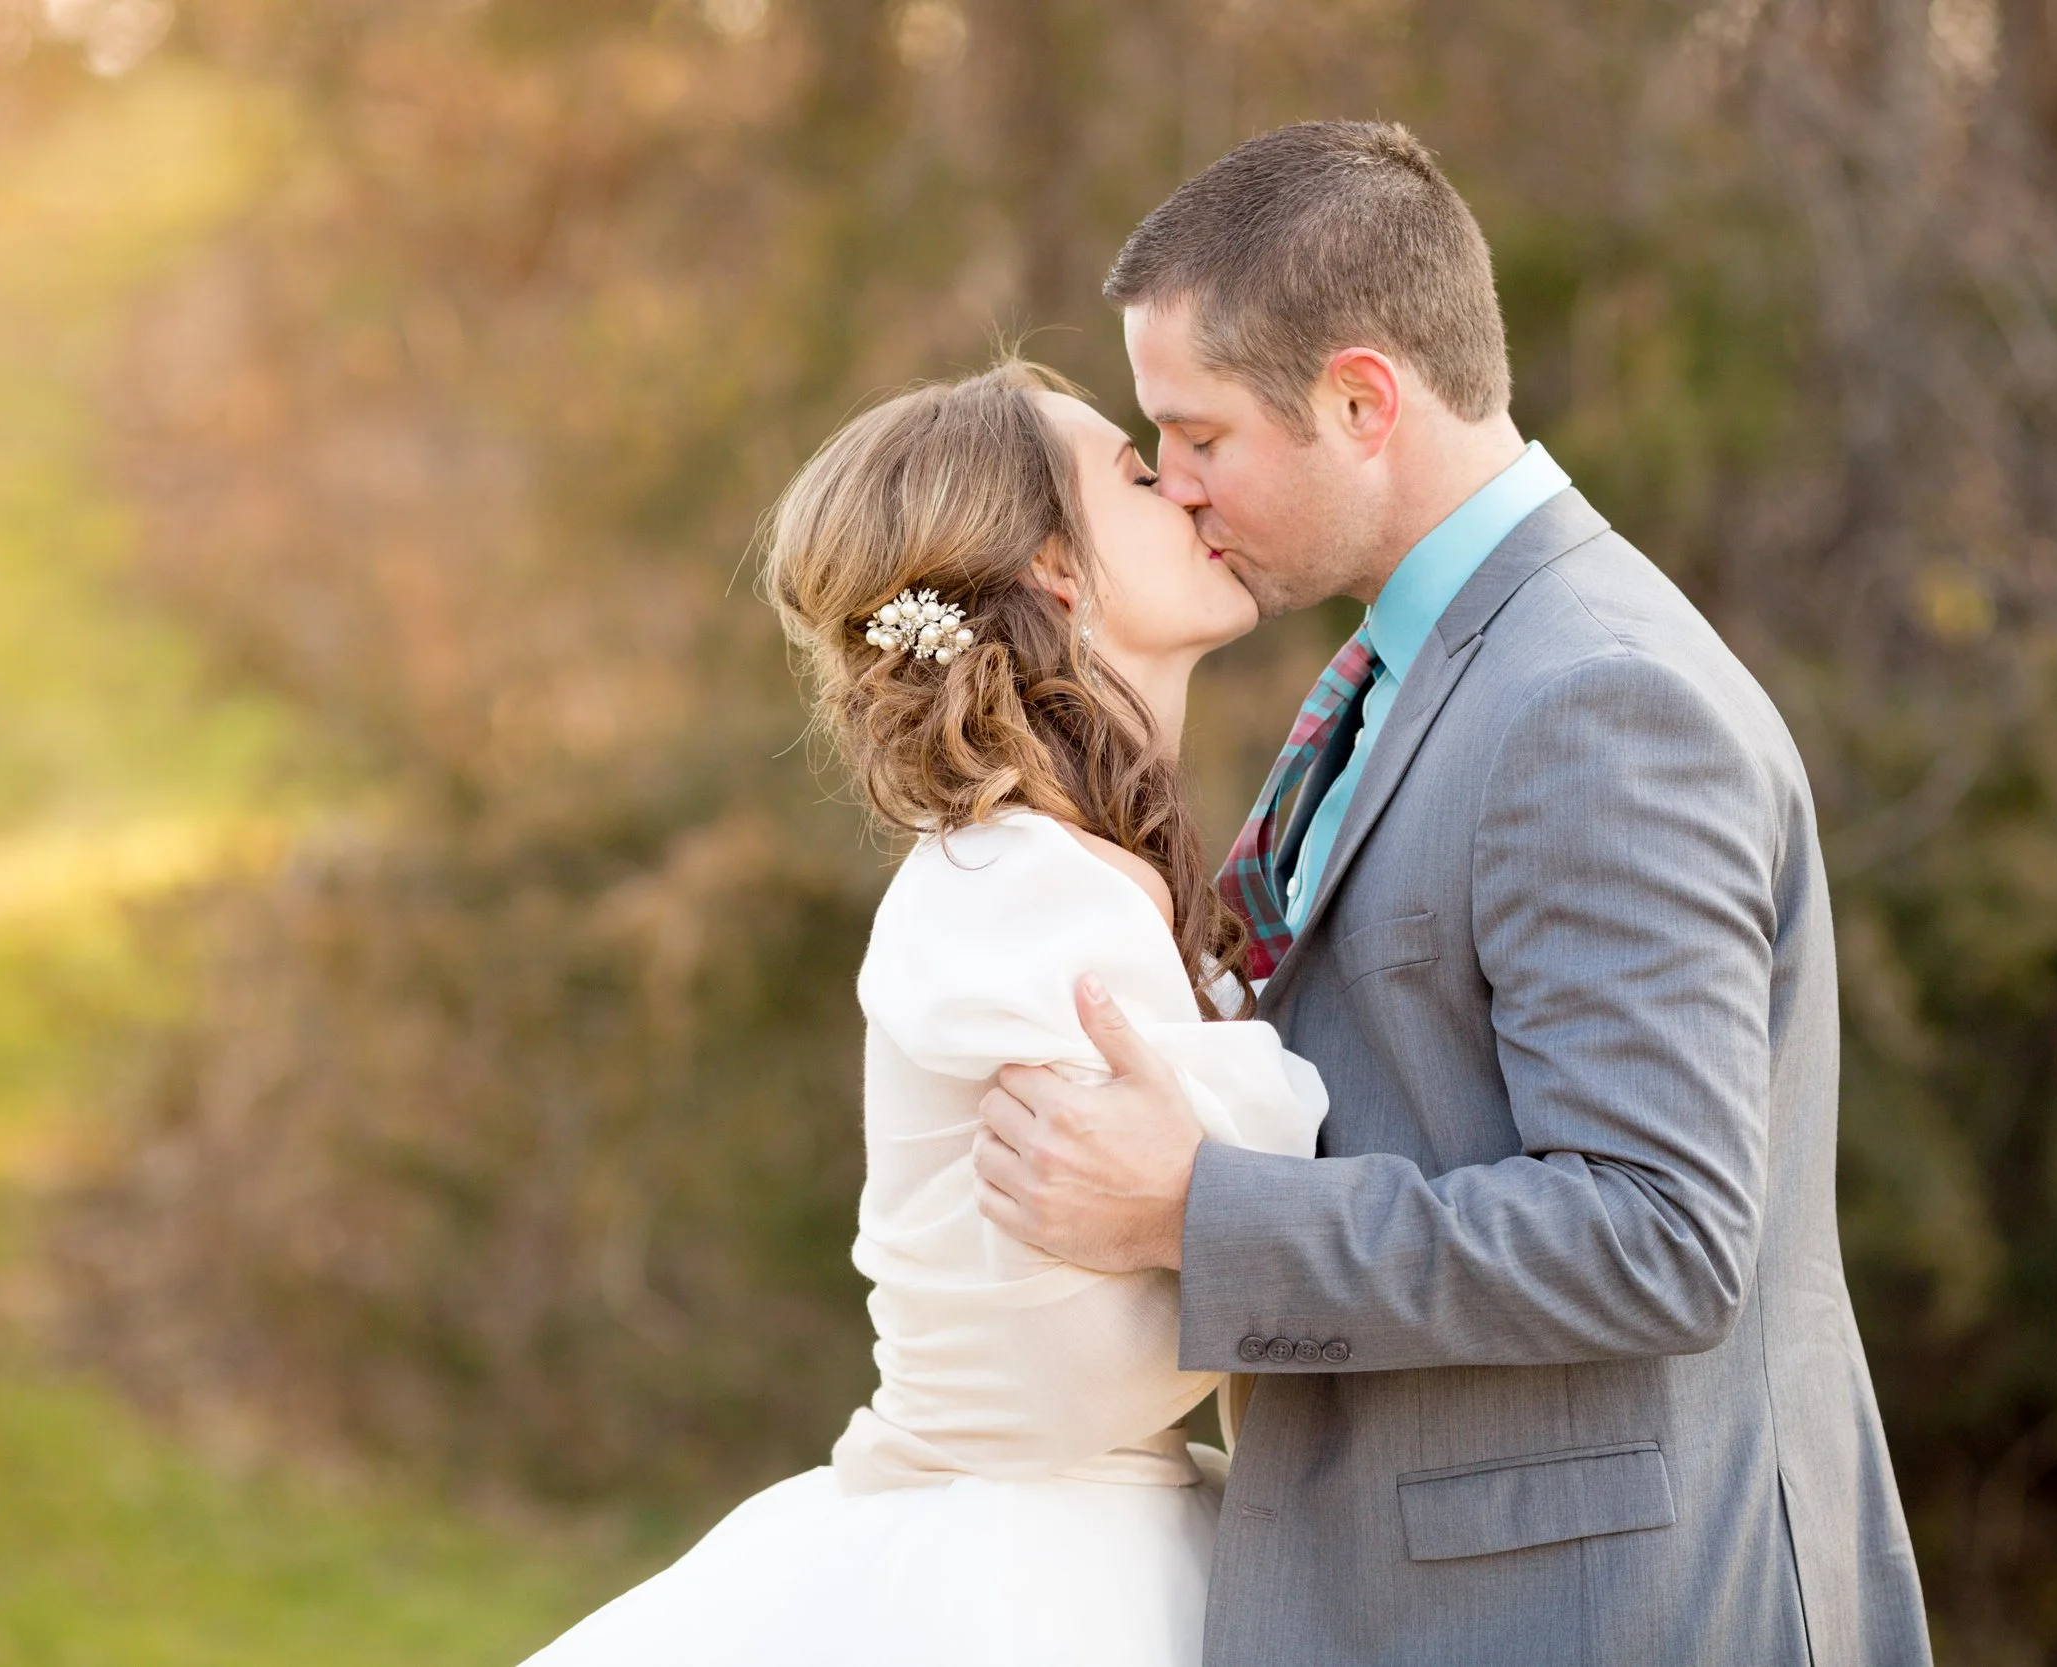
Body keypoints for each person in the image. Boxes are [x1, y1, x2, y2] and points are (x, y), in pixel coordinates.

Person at [974, 121, 1935, 1666]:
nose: (1175, 483)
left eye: (1201, 434)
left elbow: (1663, 1230)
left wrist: (1198, 1209)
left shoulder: (1596, 698)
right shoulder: (1425, 665)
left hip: (1599, 1611)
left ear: (1361, 399)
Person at [522, 360, 1327, 1667]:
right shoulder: (1021, 895)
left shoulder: (1053, 872)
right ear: (1059, 573)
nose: (1184, 484)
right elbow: (1074, 1365)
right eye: (1135, 471)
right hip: (1028, 1579)